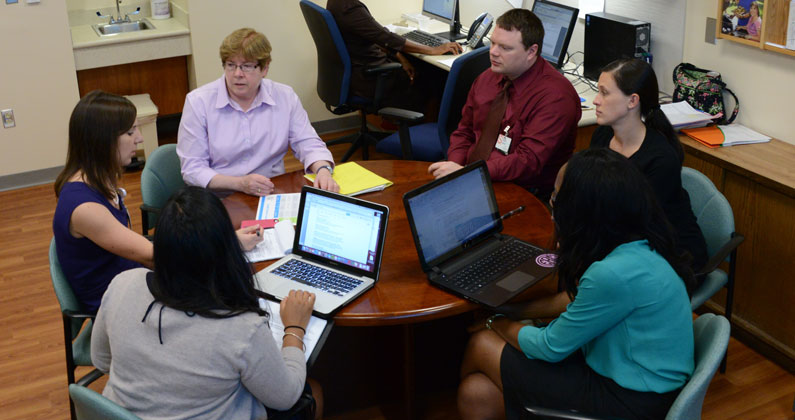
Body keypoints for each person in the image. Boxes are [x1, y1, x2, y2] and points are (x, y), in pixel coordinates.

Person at [457, 148, 696, 420]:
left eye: (557, 198)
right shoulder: (639, 241)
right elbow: (576, 300)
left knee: (481, 343)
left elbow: (550, 347)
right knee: (475, 392)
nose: (552, 208)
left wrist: (495, 323)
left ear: (581, 210)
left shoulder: (613, 273)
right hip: (632, 374)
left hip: (630, 400)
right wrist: (513, 312)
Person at [91, 186, 323, 419]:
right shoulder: (241, 327)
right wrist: (294, 329)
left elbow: (101, 359)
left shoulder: (122, 284)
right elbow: (286, 397)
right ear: (226, 251)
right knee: (314, 393)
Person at [53, 91, 263, 313]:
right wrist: (228, 246)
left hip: (132, 283)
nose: (139, 138)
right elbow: (154, 257)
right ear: (102, 139)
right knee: (224, 293)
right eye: (131, 131)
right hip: (120, 308)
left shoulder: (97, 181)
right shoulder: (86, 208)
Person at [428, 8, 581, 199]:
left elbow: (528, 161)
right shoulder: (487, 78)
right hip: (470, 175)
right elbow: (464, 131)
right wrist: (455, 167)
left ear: (531, 51)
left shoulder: (556, 97)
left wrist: (466, 174)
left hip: (521, 190)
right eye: (492, 43)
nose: (493, 52)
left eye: (505, 48)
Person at [178, 28, 339, 196]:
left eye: (247, 66)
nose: (237, 74)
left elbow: (308, 142)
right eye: (231, 65)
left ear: (265, 68)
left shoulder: (284, 97)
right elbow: (192, 169)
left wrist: (323, 170)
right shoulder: (198, 102)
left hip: (271, 191)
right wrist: (240, 184)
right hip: (220, 196)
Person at [589, 58, 708, 273]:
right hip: (622, 243)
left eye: (604, 93)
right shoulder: (602, 135)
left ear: (632, 101)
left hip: (669, 254)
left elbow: (636, 226)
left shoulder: (660, 159)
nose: (596, 100)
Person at [327, 0, 462, 110]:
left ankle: (405, 127)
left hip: (360, 72)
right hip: (370, 78)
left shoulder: (336, 3)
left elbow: (373, 35)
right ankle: (423, 134)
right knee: (436, 75)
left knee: (422, 66)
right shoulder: (349, 7)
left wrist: (398, 54)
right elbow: (383, 36)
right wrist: (432, 50)